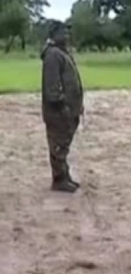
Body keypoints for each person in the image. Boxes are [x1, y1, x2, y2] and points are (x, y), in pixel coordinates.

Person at [41, 20, 84, 193]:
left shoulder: (61, 53)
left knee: (63, 144)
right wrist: (62, 106)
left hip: (68, 108)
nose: (66, 36)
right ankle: (59, 179)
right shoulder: (53, 55)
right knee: (58, 144)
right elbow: (52, 87)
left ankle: (64, 176)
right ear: (54, 35)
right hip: (58, 111)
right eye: (63, 33)